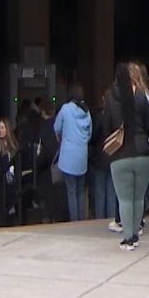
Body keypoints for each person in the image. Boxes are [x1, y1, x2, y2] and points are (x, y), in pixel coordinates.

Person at [105, 63, 149, 250]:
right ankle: (136, 232)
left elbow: (107, 123)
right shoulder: (141, 96)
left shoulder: (111, 97)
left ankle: (128, 238)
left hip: (120, 155)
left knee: (125, 198)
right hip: (143, 153)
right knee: (138, 197)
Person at [55, 85, 93, 222]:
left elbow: (56, 127)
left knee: (71, 191)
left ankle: (75, 221)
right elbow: (89, 134)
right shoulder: (86, 111)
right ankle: (81, 219)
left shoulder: (65, 109)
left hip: (68, 157)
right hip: (82, 157)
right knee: (81, 191)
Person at [0, 118, 21, 226]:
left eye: (2, 128)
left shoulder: (14, 146)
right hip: (0, 186)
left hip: (12, 186)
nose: (0, 130)